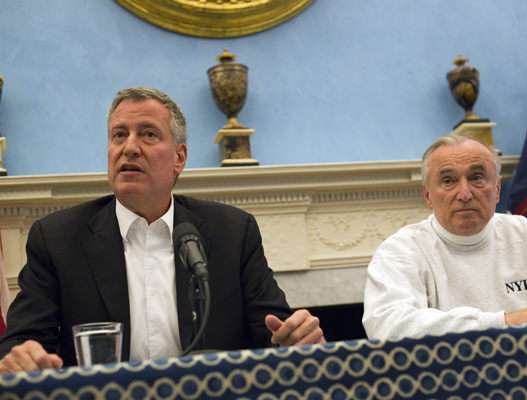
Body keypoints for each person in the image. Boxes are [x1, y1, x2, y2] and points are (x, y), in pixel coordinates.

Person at [0, 87, 324, 372]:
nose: (129, 147)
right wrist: (24, 356)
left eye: (148, 134)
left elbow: (273, 330)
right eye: (119, 135)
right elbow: (23, 340)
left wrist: (294, 337)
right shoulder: (57, 238)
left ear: (179, 158)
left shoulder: (232, 232)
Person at [363, 134, 527, 341]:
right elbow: (388, 327)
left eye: (477, 178)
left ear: (498, 191)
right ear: (428, 196)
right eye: (448, 181)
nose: (464, 194)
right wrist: (506, 322)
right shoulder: (401, 251)